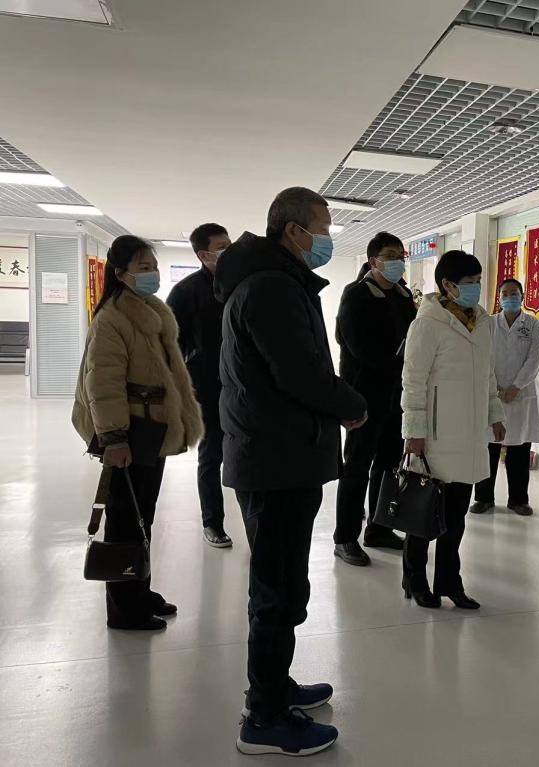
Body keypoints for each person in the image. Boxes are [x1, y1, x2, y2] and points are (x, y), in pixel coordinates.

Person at [215, 187, 368, 757]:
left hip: (277, 455)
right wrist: (352, 405)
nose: (327, 237)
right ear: (294, 230)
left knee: (282, 584)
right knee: (277, 590)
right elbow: (300, 373)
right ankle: (265, 717)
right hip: (275, 460)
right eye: (322, 226)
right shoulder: (271, 288)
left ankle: (275, 687)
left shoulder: (273, 281)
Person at [72, 235, 203, 631]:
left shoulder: (149, 310)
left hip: (150, 430)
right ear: (120, 273)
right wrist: (113, 438)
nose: (152, 274)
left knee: (142, 516)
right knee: (125, 520)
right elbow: (103, 382)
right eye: (143, 267)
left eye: (154, 266)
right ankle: (124, 610)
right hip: (129, 431)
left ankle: (138, 588)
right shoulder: (113, 318)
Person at [401, 250, 505, 610]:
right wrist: (414, 430)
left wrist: (495, 414)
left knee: (456, 517)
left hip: (470, 434)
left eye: (479, 281)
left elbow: (488, 374)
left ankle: (449, 581)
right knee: (424, 513)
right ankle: (414, 578)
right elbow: (413, 381)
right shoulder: (427, 324)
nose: (476, 287)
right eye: (469, 282)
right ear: (447, 285)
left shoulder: (482, 322)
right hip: (435, 435)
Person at [333, 232, 417, 566]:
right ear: (373, 261)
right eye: (390, 255)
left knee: (388, 464)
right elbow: (360, 349)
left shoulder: (403, 295)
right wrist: (401, 360)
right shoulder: (356, 295)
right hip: (363, 397)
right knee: (357, 466)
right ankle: (345, 537)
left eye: (400, 256)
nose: (397, 261)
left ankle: (379, 528)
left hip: (397, 396)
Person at [167, 222, 233, 548]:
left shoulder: (241, 283)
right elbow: (170, 346)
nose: (229, 252)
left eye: (230, 245)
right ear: (203, 255)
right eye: (222, 248)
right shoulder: (186, 292)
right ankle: (213, 523)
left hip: (242, 387)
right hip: (206, 387)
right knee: (211, 457)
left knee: (245, 453)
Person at [470, 278, 539, 516]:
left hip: (521, 395)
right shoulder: (489, 324)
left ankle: (518, 500)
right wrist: (495, 387)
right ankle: (483, 497)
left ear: (522, 296)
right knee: (488, 447)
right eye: (504, 293)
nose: (509, 297)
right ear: (499, 297)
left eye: (514, 293)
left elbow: (534, 359)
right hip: (492, 391)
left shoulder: (533, 325)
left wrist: (516, 386)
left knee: (519, 449)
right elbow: (482, 356)